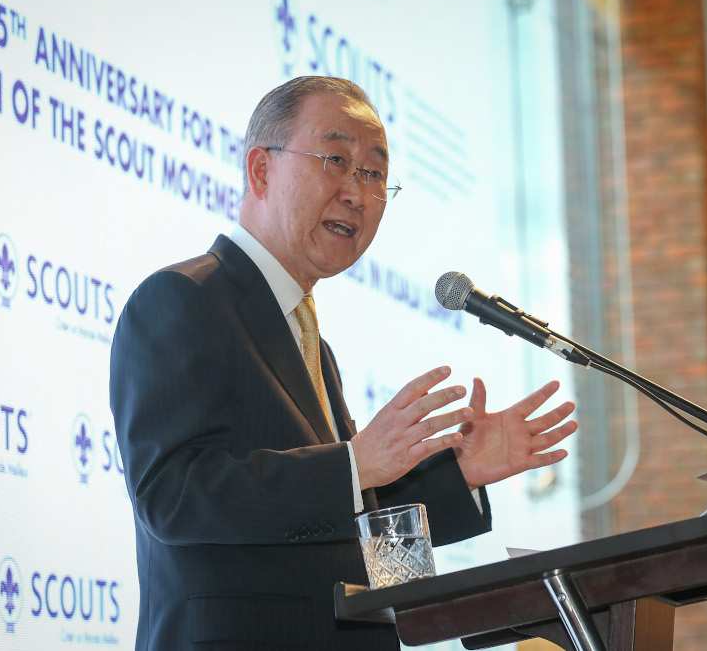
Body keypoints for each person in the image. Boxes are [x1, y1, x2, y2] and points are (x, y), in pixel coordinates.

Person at [109, 76, 577, 650]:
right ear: (261, 170)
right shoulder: (184, 299)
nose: (358, 191)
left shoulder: (308, 339)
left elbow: (350, 529)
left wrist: (461, 476)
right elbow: (172, 496)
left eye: (375, 174)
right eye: (336, 159)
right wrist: (354, 466)